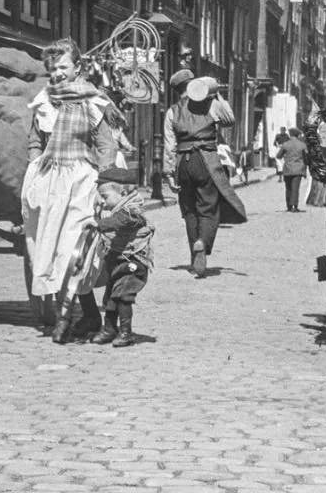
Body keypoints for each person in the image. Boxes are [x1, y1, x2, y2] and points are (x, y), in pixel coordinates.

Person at [22, 38, 117, 344]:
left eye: (64, 67)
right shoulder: (44, 100)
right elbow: (35, 140)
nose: (58, 73)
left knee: (73, 253)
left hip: (81, 182)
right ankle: (89, 315)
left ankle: (64, 319)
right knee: (49, 250)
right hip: (50, 184)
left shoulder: (93, 100)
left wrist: (105, 183)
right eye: (53, 68)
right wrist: (34, 169)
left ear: (78, 67)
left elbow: (106, 146)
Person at [163, 72, 247, 278]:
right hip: (206, 160)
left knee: (189, 210)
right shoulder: (211, 105)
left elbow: (169, 146)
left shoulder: (172, 112)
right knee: (209, 207)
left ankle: (194, 255)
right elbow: (230, 120)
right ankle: (203, 243)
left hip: (183, 162)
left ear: (176, 89)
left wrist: (169, 173)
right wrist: (216, 95)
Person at [82, 166, 153, 348]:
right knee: (111, 298)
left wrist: (99, 225)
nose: (103, 202)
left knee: (123, 297)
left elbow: (119, 221)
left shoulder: (132, 211)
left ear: (122, 192)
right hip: (117, 262)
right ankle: (109, 329)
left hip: (133, 263)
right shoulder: (119, 209)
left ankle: (125, 332)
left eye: (105, 197)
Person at [277, 127, 308, 213]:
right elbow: (306, 157)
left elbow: (278, 156)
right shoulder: (302, 145)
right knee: (295, 188)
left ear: (290, 135)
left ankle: (289, 206)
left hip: (287, 168)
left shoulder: (285, 144)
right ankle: (294, 206)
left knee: (288, 188)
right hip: (298, 169)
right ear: (297, 135)